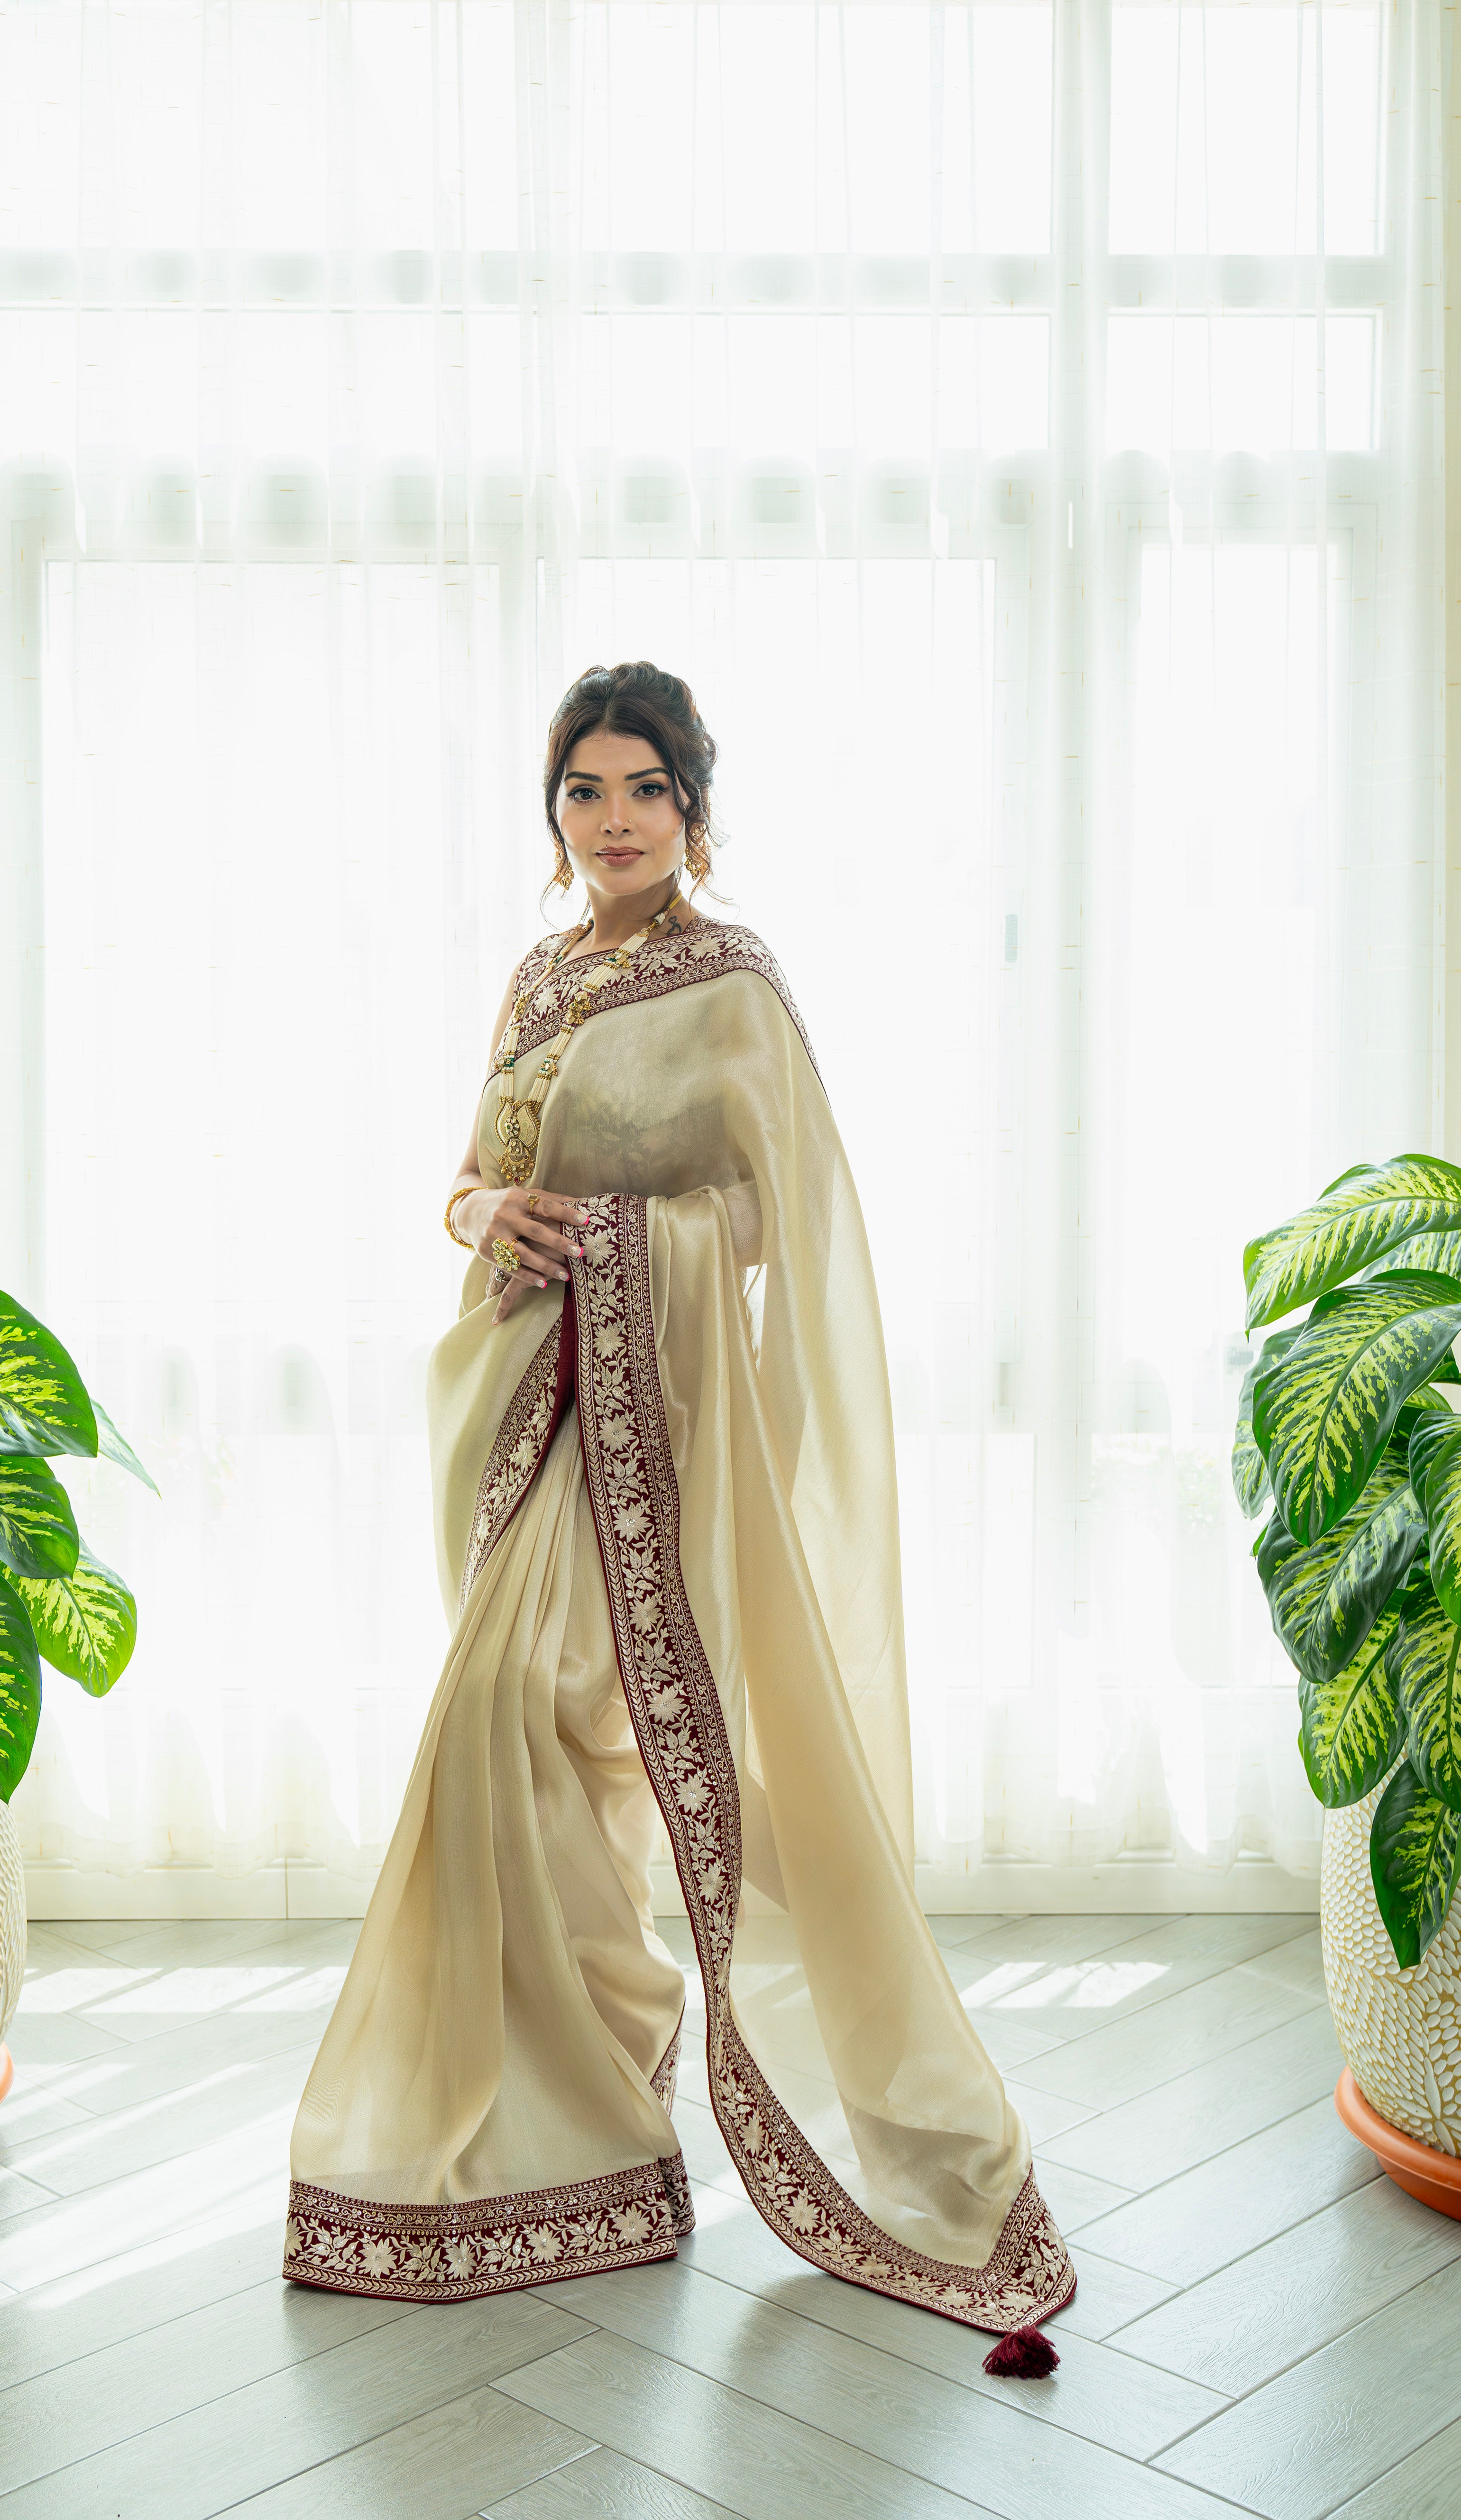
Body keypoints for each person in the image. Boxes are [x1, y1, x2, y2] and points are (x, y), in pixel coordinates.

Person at [284, 661, 1074, 2348]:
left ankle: (618, 2072)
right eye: (585, 788)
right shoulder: (538, 976)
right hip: (514, 1398)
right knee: (537, 1738)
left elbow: (790, 1218)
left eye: (645, 786)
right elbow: (467, 1176)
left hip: (659, 1407)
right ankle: (588, 2086)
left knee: (546, 1707)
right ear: (554, 810)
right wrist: (488, 1212)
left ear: (695, 807)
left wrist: (636, 1242)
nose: (615, 818)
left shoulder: (734, 983)